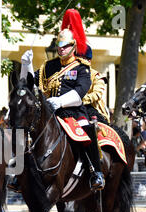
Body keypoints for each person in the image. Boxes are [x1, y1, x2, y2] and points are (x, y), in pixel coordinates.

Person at [17, 8, 103, 192]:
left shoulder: (82, 68)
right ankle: (18, 175)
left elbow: (80, 92)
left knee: (86, 131)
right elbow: (31, 85)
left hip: (72, 113)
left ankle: (96, 172)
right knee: (26, 131)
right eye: (59, 46)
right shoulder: (49, 65)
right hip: (49, 113)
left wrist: (59, 101)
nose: (61, 49)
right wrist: (26, 65)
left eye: (65, 46)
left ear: (73, 46)